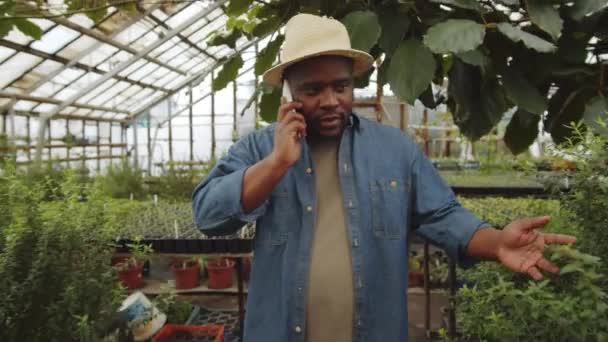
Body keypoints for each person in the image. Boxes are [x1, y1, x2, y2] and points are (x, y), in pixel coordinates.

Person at [192, 13, 576, 342]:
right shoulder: (260, 149)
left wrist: (496, 243)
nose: (330, 100)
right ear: (290, 92)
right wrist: (276, 164)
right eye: (313, 89)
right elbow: (208, 216)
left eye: (340, 86)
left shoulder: (395, 151)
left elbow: (443, 215)